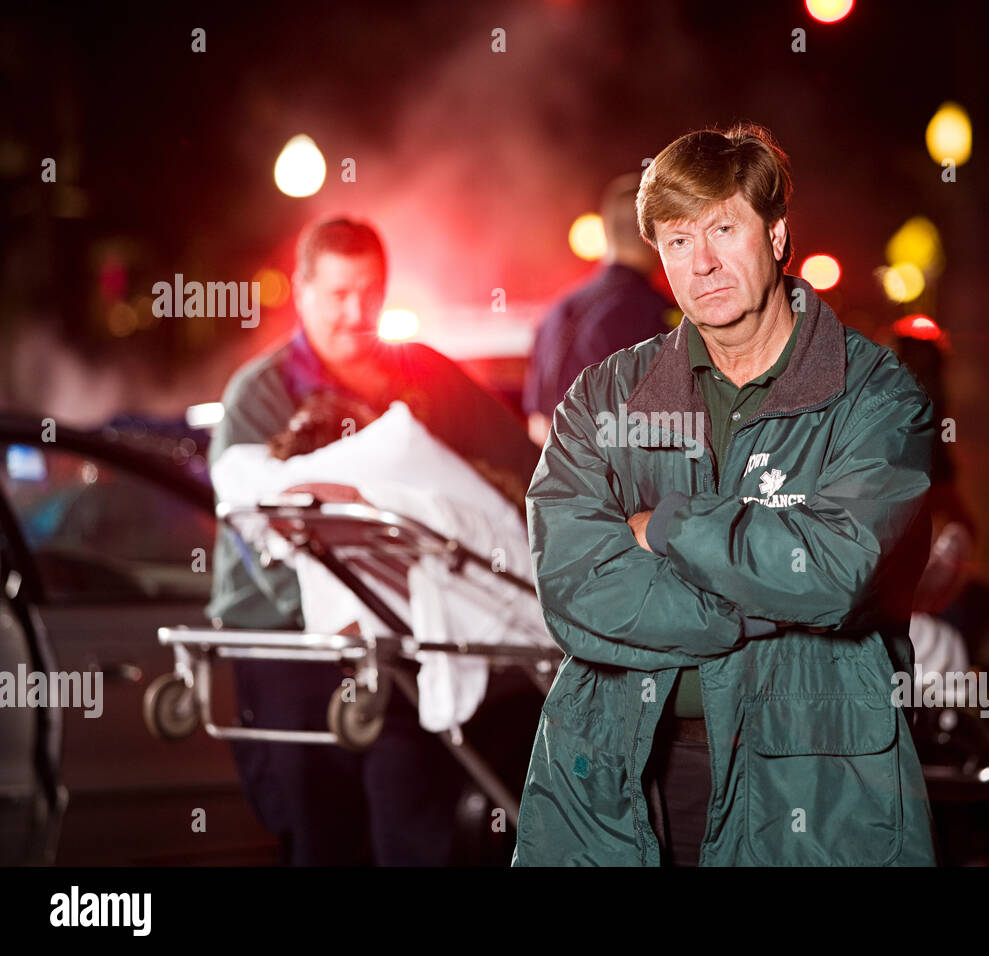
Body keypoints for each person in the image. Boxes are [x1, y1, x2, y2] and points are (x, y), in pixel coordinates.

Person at [512, 123, 938, 866]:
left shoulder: (875, 398)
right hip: (620, 771)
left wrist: (670, 525)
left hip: (809, 775)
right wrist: (759, 598)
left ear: (776, 236)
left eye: (722, 228)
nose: (701, 262)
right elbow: (570, 579)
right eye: (676, 241)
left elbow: (836, 573)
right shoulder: (606, 396)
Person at [206, 217, 541, 865]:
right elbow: (251, 519)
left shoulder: (428, 380)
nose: (356, 312)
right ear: (301, 292)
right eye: (338, 295)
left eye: (370, 292)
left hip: (402, 644)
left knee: (410, 829)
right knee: (320, 832)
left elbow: (523, 471)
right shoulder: (261, 397)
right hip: (290, 645)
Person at [522, 172, 680, 446]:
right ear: (654, 235)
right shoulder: (658, 314)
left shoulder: (556, 311)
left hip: (557, 480)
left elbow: (538, 427)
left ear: (607, 232)